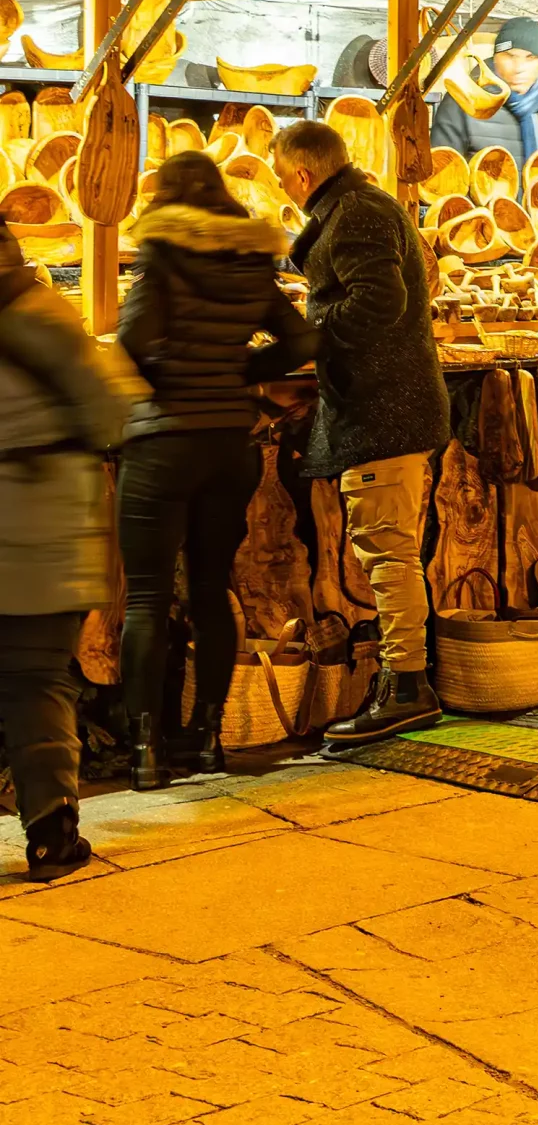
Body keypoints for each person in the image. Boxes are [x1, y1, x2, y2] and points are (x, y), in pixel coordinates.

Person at [115, 153, 318, 786]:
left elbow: (131, 340)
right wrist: (241, 377)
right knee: (210, 592)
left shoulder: (163, 254)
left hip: (162, 444)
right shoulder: (250, 259)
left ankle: (146, 753)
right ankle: (206, 740)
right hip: (230, 445)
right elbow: (303, 341)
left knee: (146, 599)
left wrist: (164, 386)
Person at [272, 119, 451, 747]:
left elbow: (380, 302)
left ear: (301, 172)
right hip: (384, 406)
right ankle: (402, 682)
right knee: (388, 547)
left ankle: (407, 688)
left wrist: (309, 337)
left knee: (387, 551)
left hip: (385, 409)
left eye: (281, 178)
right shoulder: (356, 208)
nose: (285, 190)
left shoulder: (353, 213)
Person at [0, 225, 137, 881]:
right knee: (36, 681)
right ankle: (52, 832)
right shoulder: (45, 314)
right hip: (40, 534)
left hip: (32, 529)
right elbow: (113, 412)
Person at [427, 15, 538, 169]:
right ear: (496, 58)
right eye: (510, 56)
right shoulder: (463, 104)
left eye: (530, 57)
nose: (519, 68)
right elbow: (438, 180)